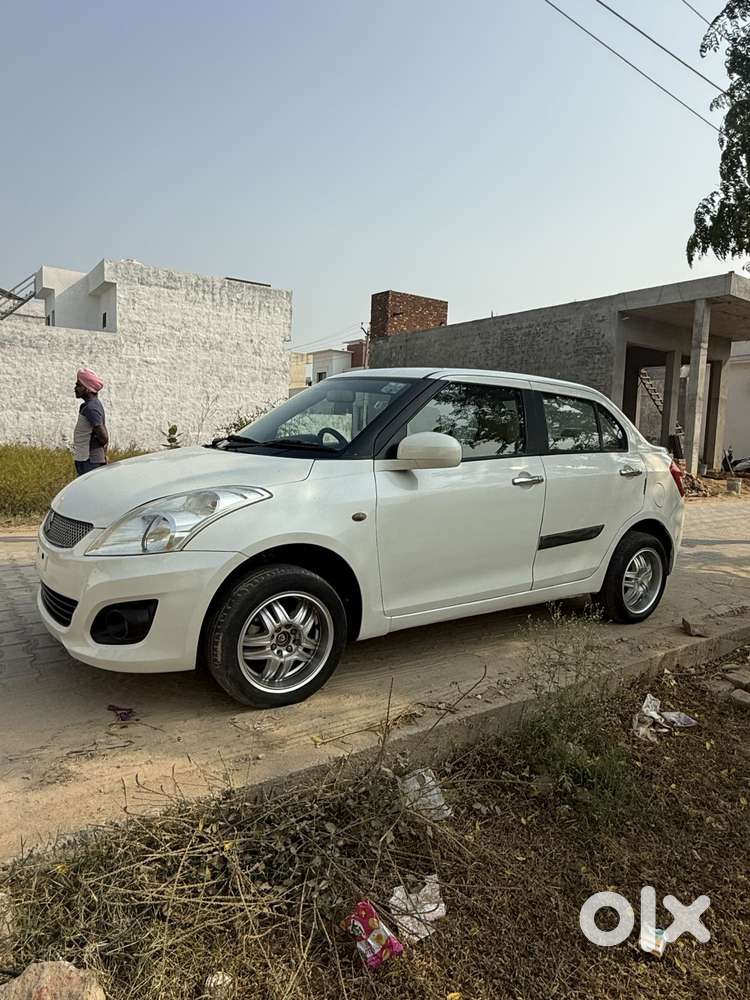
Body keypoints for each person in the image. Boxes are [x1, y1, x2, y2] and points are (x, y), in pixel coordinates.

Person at [73, 368, 108, 475]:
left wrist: (102, 454)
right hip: (85, 459)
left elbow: (104, 437)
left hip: (90, 460)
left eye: (79, 385)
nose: (75, 388)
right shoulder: (87, 406)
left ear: (87, 389)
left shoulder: (91, 408)